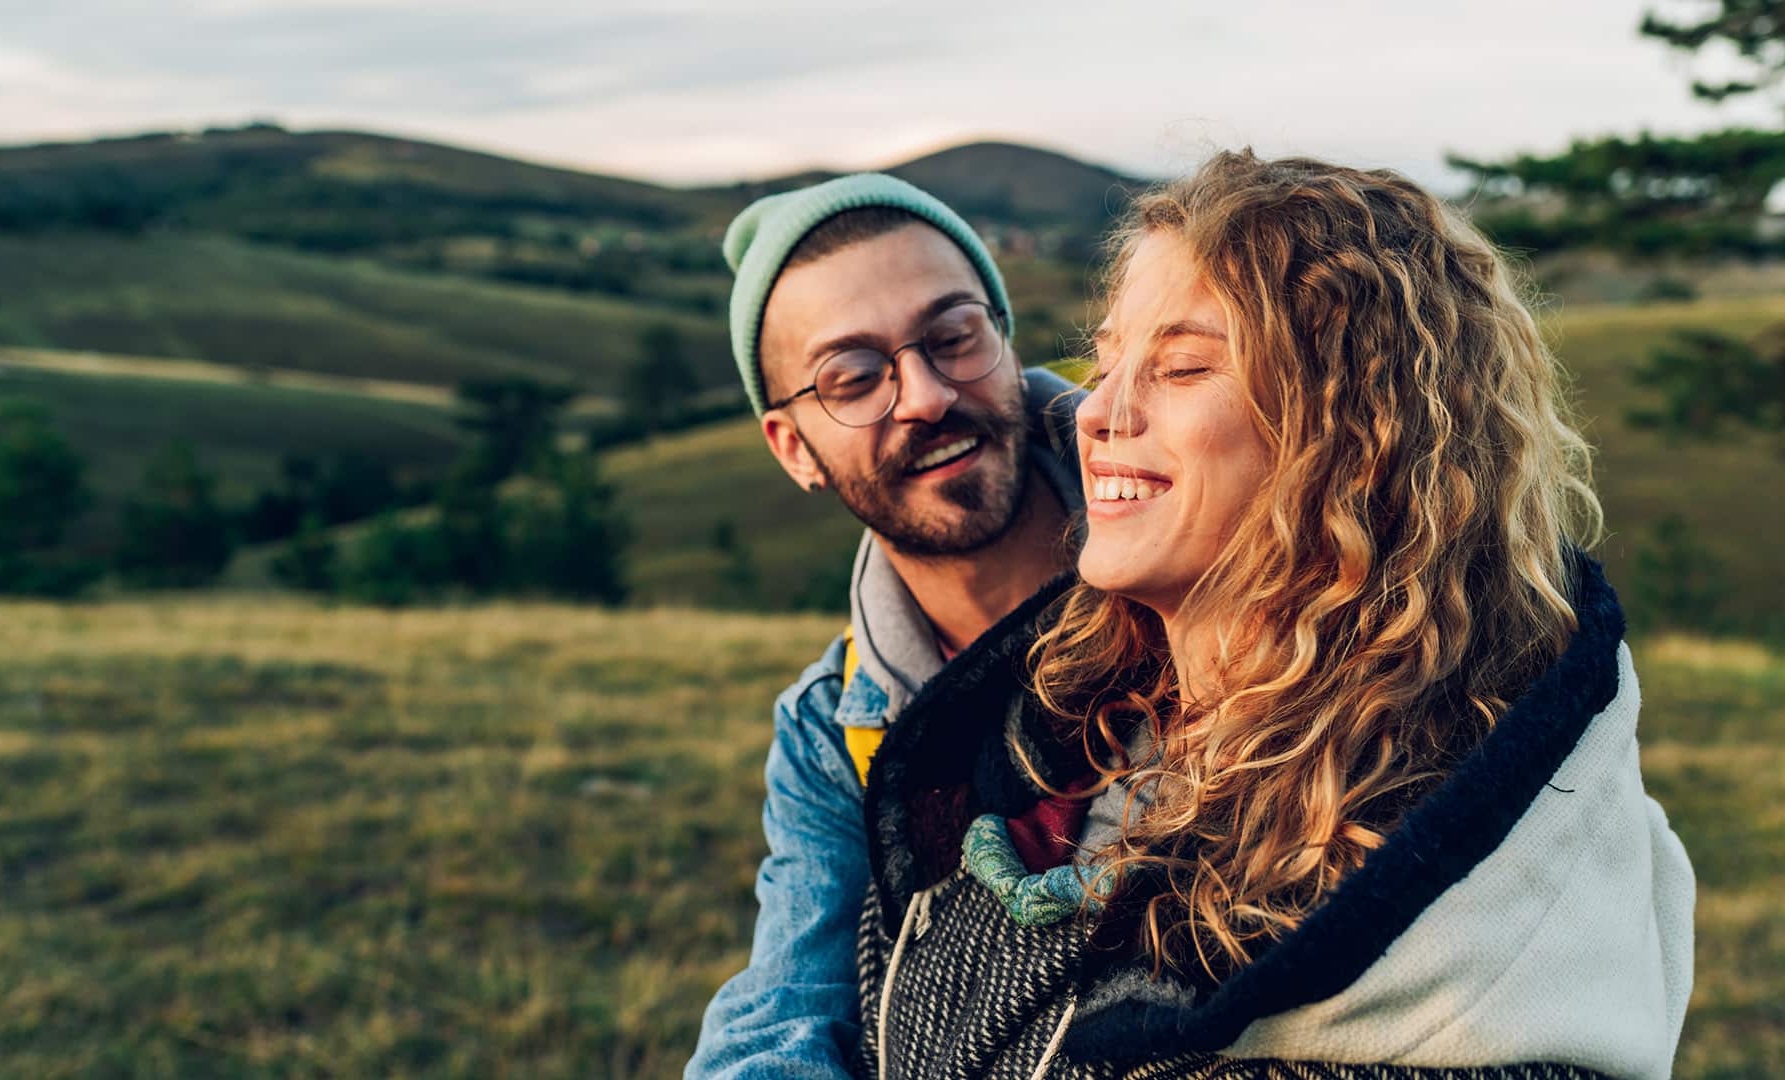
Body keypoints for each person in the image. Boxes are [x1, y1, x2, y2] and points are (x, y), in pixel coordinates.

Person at [853, 150, 1696, 1079]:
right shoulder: (1050, 733)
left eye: (1178, 366)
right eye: (1105, 359)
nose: (1098, 410)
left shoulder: (1438, 844)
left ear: (1350, 436)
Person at [686, 173, 1087, 1078]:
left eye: (952, 337)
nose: (925, 396)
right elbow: (783, 1012)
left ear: (1004, 337)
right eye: (854, 377)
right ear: (794, 449)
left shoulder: (1218, 573)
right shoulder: (835, 730)